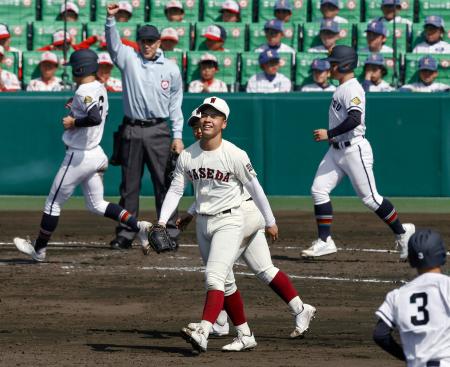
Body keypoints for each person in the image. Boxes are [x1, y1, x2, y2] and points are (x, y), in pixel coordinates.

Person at [157, 97, 316, 352]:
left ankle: (209, 327)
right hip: (209, 219)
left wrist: (270, 220)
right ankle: (288, 314)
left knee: (217, 275)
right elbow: (201, 189)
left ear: (224, 123)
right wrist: (171, 218)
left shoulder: (233, 154)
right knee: (260, 270)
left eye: (213, 116)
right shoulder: (188, 155)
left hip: (239, 214)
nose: (204, 122)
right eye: (202, 117)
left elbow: (252, 188)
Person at [13, 49, 151, 262]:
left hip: (79, 157)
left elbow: (94, 117)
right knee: (96, 205)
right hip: (96, 153)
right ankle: (138, 226)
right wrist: (76, 107)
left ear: (80, 68)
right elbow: (92, 106)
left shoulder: (83, 91)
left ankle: (39, 250)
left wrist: (73, 121)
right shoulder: (99, 87)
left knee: (52, 204)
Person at [302, 45, 415, 258]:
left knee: (370, 198)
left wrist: (329, 133)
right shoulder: (342, 87)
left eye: (333, 63)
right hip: (336, 150)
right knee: (318, 190)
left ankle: (402, 233)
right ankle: (325, 240)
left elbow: (355, 120)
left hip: (354, 149)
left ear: (344, 65)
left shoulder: (352, 88)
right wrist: (332, 137)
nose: (330, 67)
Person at [106, 4, 184, 249]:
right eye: (143, 41)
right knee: (129, 185)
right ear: (138, 42)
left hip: (159, 129)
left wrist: (178, 135)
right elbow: (113, 45)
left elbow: (175, 104)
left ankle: (169, 231)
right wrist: (110, 19)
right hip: (132, 128)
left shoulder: (170, 68)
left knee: (164, 182)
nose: (147, 45)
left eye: (151, 41)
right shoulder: (130, 59)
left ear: (159, 42)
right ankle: (126, 233)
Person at [374, 229, 450, 366]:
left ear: (411, 258)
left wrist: (406, 356)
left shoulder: (397, 295)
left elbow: (380, 335)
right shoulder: (447, 286)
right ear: (441, 254)